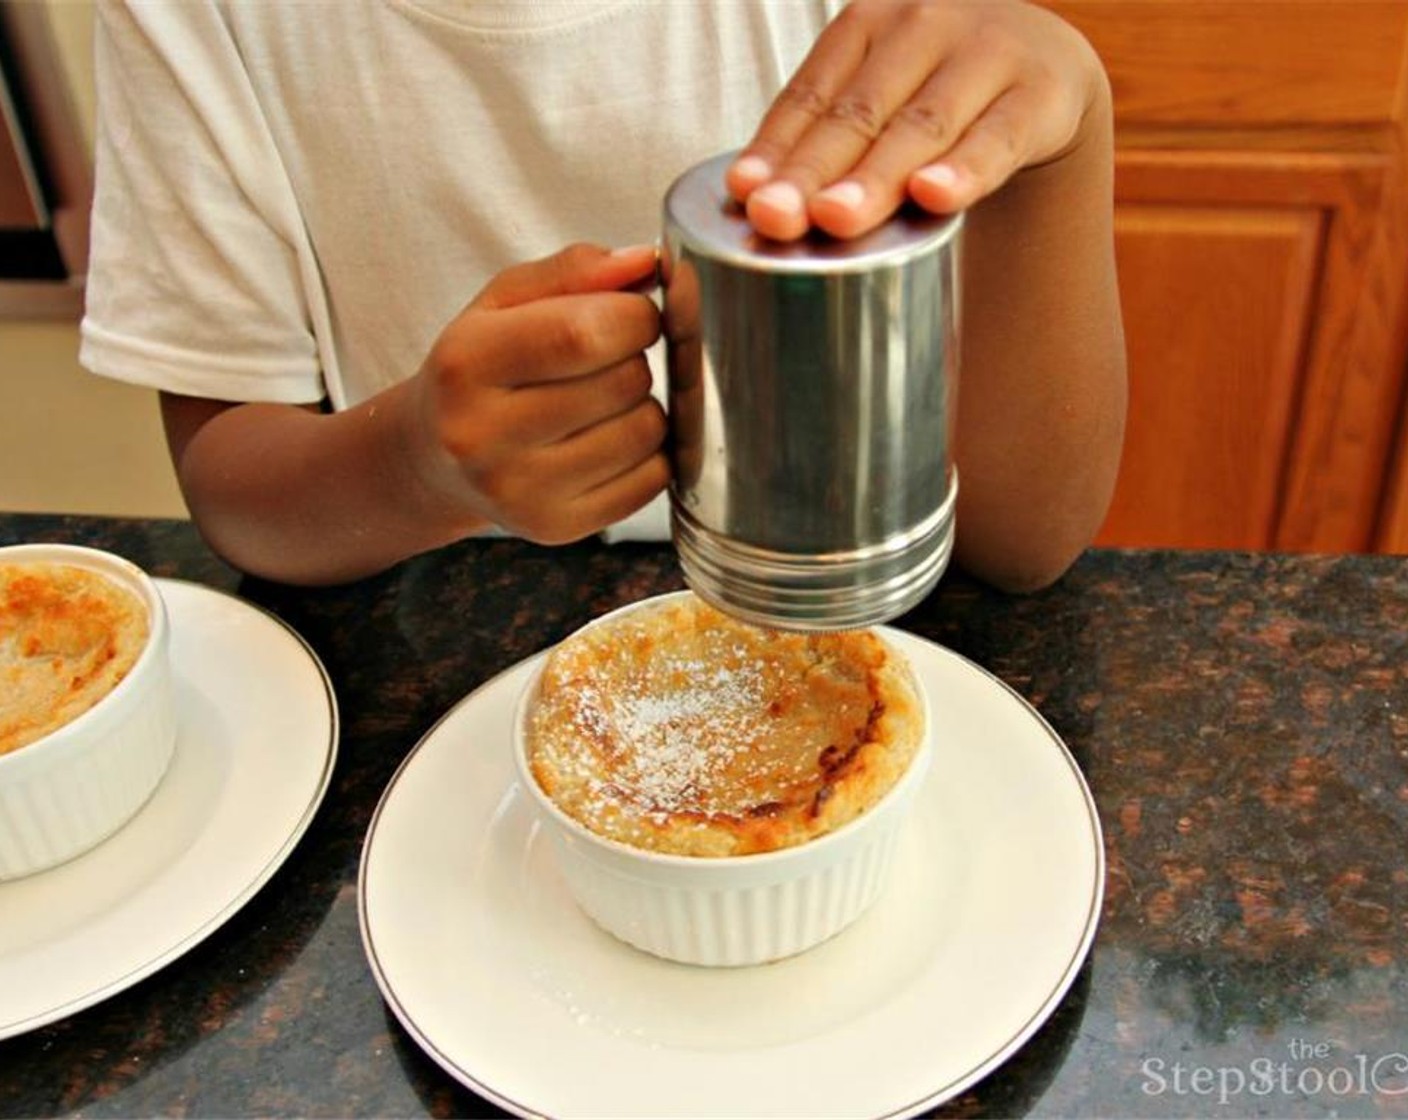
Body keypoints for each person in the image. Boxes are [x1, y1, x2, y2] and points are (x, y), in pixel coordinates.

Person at [81, 0, 1126, 594]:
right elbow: (234, 483)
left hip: (854, 605)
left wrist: (1066, 130)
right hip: (432, 606)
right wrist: (413, 460)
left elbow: (1020, 542)